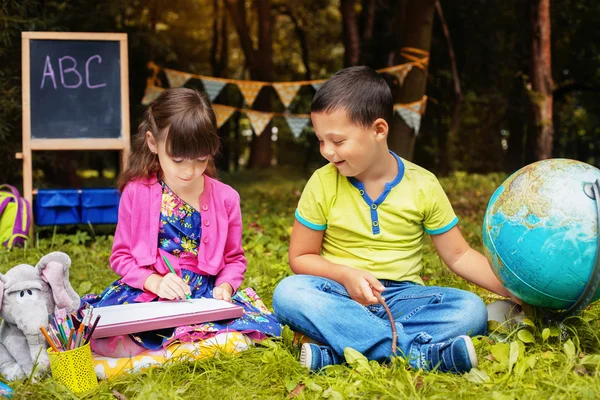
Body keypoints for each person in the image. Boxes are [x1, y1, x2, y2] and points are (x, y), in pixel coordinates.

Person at [272, 66, 517, 373]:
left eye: (337, 140)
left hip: (401, 300)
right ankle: (415, 354)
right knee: (289, 293)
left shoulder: (423, 184)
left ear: (378, 130)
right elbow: (301, 256)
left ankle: (342, 350)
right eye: (321, 141)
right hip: (339, 294)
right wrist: (346, 275)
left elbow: (460, 254)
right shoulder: (322, 183)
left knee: (470, 311)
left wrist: (514, 289)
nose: (327, 152)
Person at [82, 88, 281, 357]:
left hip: (204, 297)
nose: (189, 171)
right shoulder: (136, 192)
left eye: (201, 159)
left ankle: (164, 353)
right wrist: (153, 281)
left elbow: (234, 259)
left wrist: (224, 287)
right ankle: (181, 349)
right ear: (153, 143)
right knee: (105, 334)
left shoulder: (226, 198)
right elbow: (121, 257)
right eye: (178, 160)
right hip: (148, 292)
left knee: (243, 331)